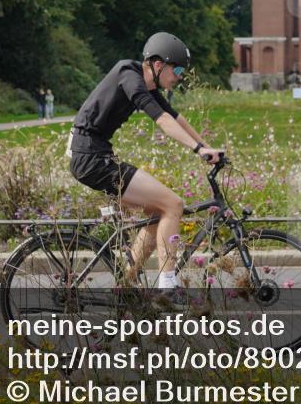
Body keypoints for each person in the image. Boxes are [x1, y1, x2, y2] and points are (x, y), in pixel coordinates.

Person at [67, 32, 224, 297]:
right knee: (173, 204)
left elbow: (176, 117)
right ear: (158, 64)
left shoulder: (148, 85)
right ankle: (167, 287)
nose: (180, 76)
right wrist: (198, 149)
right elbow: (162, 120)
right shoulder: (129, 75)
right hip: (91, 158)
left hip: (95, 155)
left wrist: (206, 147)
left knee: (158, 212)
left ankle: (126, 285)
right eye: (177, 69)